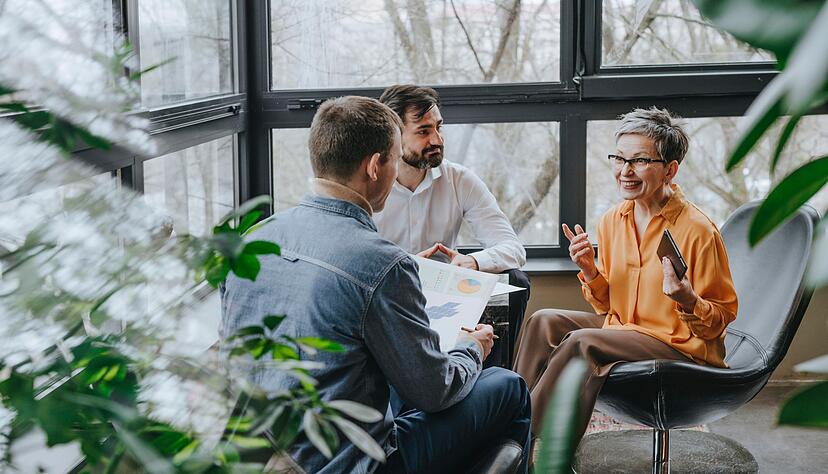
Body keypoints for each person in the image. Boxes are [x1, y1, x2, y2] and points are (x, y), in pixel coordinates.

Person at [220, 96, 531, 474]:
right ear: (374, 166)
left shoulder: (254, 239)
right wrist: (470, 348)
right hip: (357, 463)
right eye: (395, 157)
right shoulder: (382, 263)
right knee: (509, 386)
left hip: (267, 451)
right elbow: (435, 391)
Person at [513, 107, 738, 444]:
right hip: (626, 331)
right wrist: (590, 270)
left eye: (640, 161)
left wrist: (687, 299)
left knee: (582, 342)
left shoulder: (698, 231)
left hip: (679, 348)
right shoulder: (612, 221)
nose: (625, 171)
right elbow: (608, 309)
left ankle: (526, 441)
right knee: (544, 320)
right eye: (619, 159)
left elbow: (719, 320)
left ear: (670, 170)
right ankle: (508, 414)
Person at [374, 84, 530, 365]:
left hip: (446, 297)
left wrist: (473, 262)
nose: (437, 139)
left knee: (514, 279)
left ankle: (493, 380)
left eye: (438, 127)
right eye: (423, 131)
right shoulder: (370, 184)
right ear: (393, 136)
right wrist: (407, 266)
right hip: (390, 295)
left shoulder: (460, 180)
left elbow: (513, 249)